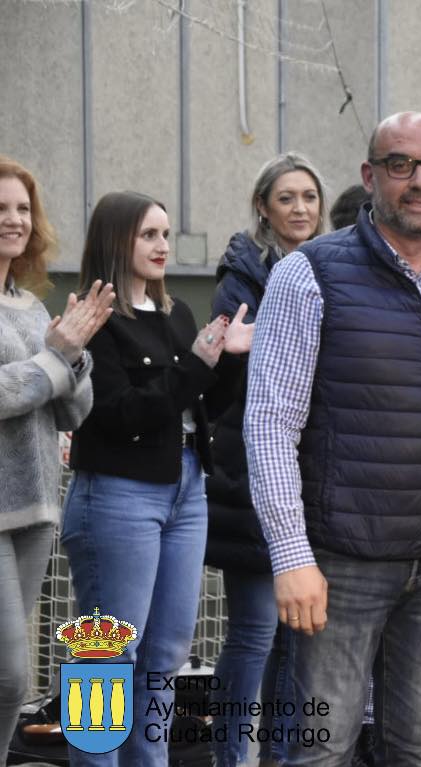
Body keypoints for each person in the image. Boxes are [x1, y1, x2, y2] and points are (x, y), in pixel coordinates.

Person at [245, 111, 421, 765]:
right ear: (369, 175)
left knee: (416, 748)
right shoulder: (309, 275)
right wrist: (291, 555)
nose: (419, 181)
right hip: (341, 563)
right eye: (400, 164)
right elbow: (270, 424)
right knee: (320, 750)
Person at [61, 191, 252, 767]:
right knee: (106, 654)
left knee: (166, 652)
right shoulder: (94, 319)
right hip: (119, 495)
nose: (163, 246)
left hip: (186, 487)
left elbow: (202, 405)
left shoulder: (177, 314)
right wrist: (198, 363)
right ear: (115, 240)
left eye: (166, 234)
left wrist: (228, 359)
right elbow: (121, 413)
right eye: (149, 235)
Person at [204, 151, 327, 767]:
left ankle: (280, 757)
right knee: (253, 634)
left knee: (295, 641)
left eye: (309, 197)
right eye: (287, 198)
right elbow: (231, 393)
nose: (301, 208)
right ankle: (232, 757)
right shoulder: (240, 280)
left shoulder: (329, 270)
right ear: (263, 207)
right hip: (250, 477)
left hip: (312, 478)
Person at [0, 156, 114, 766]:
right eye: (0, 209)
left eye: (22, 208)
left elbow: (72, 412)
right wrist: (55, 361)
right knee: (11, 677)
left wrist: (73, 356)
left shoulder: (31, 306)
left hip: (37, 507)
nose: (14, 220)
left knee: (7, 682)